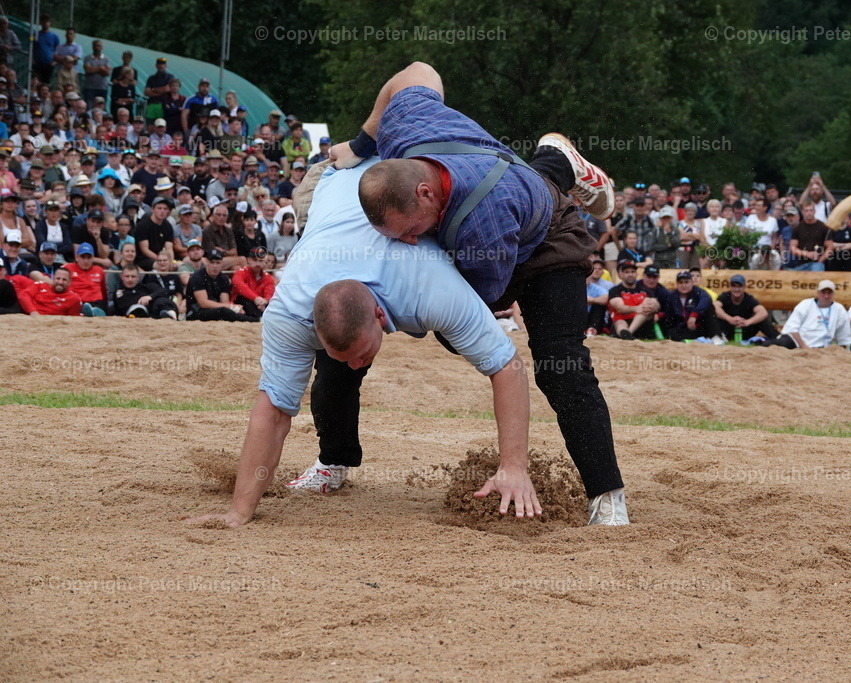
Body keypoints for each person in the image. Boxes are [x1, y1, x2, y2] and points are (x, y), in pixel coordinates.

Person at [336, 62, 626, 523]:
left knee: (558, 365)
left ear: (427, 193)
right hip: (508, 181)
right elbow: (417, 70)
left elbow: (478, 310)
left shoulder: (479, 225)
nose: (409, 241)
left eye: (412, 230)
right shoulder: (407, 123)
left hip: (547, 241)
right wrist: (360, 143)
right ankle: (556, 160)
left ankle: (608, 499)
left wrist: (423, 317)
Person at [186, 160, 548, 529]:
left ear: (380, 316)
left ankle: (554, 166)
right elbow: (274, 410)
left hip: (384, 171)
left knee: (495, 230)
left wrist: (514, 468)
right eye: (342, 355)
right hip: (330, 194)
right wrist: (238, 512)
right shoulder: (288, 312)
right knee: (333, 378)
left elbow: (508, 366)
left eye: (360, 355)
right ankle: (333, 460)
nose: (357, 364)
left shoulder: (431, 289)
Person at [762, 280, 851, 349]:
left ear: (833, 294)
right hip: (796, 342)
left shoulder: (839, 309)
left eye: (829, 293)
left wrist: (842, 350)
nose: (826, 296)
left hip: (821, 348)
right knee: (772, 345)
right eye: (823, 292)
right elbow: (792, 329)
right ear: (818, 293)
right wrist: (803, 346)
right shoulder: (806, 304)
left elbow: (844, 334)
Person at [713, 274, 778, 341]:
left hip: (745, 331)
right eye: (734, 286)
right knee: (713, 313)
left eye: (740, 286)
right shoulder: (725, 296)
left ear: (744, 287)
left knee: (762, 319)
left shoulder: (749, 299)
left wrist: (748, 322)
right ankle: (716, 337)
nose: (737, 289)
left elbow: (763, 312)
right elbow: (715, 306)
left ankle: (778, 337)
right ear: (730, 287)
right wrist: (729, 319)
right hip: (727, 331)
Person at [663, 270, 721, 342]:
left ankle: (716, 337)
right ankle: (685, 342)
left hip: (699, 326)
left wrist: (694, 315)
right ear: (677, 284)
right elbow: (668, 314)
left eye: (686, 282)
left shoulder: (698, 291)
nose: (684, 285)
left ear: (692, 283)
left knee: (709, 307)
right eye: (681, 282)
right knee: (671, 332)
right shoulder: (672, 296)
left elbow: (707, 299)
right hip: (683, 328)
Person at [607, 260, 659, 340]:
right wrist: (637, 308)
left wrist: (653, 306)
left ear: (636, 274)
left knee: (644, 312)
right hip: (622, 322)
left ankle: (628, 334)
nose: (630, 274)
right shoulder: (615, 290)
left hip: (642, 324)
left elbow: (655, 304)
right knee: (620, 322)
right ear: (621, 275)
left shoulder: (645, 290)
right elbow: (620, 307)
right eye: (627, 272)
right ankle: (626, 334)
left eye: (633, 272)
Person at [112, 264, 177, 318]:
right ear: (122, 277)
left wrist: (149, 297)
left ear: (138, 277)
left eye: (133, 276)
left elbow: (165, 291)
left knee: (161, 301)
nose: (130, 279)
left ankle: (170, 315)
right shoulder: (118, 293)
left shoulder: (146, 287)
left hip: (154, 317)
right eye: (127, 276)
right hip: (131, 319)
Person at [10, 267, 81, 315]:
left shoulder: (73, 298)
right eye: (58, 278)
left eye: (64, 280)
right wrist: (33, 312)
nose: (60, 282)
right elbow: (23, 296)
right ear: (53, 279)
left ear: (69, 282)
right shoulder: (40, 285)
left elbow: (72, 318)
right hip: (28, 314)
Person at [231, 246, 275, 318]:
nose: (257, 263)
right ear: (248, 260)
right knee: (244, 299)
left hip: (258, 305)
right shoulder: (241, 272)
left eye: (260, 261)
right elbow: (239, 286)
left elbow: (269, 293)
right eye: (254, 260)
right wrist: (255, 298)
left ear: (264, 262)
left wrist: (265, 301)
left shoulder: (268, 277)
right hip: (242, 304)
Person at [787, 202, 833, 271]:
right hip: (801, 263)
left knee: (816, 270)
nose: (809, 213)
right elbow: (792, 248)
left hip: (817, 263)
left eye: (811, 210)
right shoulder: (798, 228)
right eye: (806, 210)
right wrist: (806, 254)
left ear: (815, 211)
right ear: (803, 212)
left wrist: (821, 259)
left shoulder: (823, 227)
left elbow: (830, 247)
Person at [64, 243, 107, 315]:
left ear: (93, 258)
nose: (86, 261)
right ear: (77, 257)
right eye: (83, 257)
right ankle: (89, 312)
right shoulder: (68, 269)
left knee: (99, 307)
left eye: (89, 257)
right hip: (78, 301)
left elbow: (104, 291)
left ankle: (94, 312)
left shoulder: (99, 270)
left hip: (96, 302)